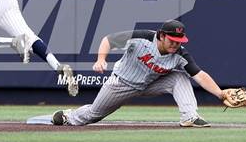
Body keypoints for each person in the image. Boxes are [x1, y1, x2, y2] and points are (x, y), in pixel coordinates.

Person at [52, 19, 226, 127]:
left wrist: (220, 93)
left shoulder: (181, 54)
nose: (175, 44)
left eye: (179, 41)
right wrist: (101, 59)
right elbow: (108, 40)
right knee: (93, 115)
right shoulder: (141, 37)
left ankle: (190, 117)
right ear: (161, 36)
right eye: (172, 40)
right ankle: (68, 116)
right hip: (121, 83)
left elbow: (199, 74)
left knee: (180, 76)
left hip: (149, 85)